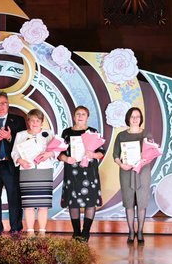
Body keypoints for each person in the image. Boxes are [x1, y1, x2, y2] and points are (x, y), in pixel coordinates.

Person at [58, 105, 105, 241]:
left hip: (89, 172)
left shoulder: (93, 132)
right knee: (73, 202)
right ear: (74, 117)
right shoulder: (66, 133)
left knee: (90, 201)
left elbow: (101, 152)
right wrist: (66, 158)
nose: (80, 116)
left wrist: (93, 154)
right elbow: (59, 154)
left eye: (83, 114)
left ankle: (85, 232)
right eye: (78, 114)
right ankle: (76, 232)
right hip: (72, 172)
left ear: (87, 117)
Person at [0, 92, 26, 235]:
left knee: (14, 197)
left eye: (3, 103)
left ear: (8, 104)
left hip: (11, 165)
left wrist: (9, 137)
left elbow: (24, 143)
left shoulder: (19, 120)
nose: (0, 106)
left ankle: (16, 228)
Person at [11, 109, 56, 236]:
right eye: (32, 120)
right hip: (27, 171)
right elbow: (14, 153)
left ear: (42, 122)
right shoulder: (21, 135)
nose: (35, 123)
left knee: (43, 205)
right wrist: (20, 160)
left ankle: (42, 232)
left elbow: (57, 151)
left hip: (44, 171)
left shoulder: (49, 133)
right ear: (28, 122)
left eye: (37, 121)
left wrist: (49, 154)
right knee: (28, 204)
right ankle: (30, 231)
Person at [113, 107, 151, 245]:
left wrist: (142, 162)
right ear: (128, 119)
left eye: (138, 116)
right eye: (132, 116)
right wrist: (121, 164)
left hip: (143, 172)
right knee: (129, 202)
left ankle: (140, 232)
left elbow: (151, 154)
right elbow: (115, 155)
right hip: (126, 171)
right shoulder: (121, 135)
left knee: (141, 202)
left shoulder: (146, 134)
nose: (135, 119)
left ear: (141, 119)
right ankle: (130, 232)